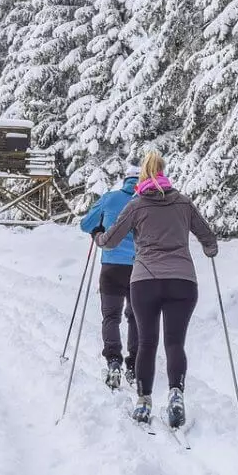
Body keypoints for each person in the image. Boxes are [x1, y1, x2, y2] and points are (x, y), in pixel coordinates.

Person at [95, 150, 217, 428]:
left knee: (148, 343)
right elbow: (207, 236)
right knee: (175, 343)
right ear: (164, 173)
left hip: (145, 281)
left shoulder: (137, 205)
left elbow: (112, 239)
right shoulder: (184, 203)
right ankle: (175, 393)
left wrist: (99, 238)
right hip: (183, 281)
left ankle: (144, 401)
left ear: (143, 177)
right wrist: (210, 249)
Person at [79, 165, 142, 389]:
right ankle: (134, 365)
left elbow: (85, 224)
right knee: (136, 317)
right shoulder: (147, 202)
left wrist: (97, 229)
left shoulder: (110, 198)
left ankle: (113, 361)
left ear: (124, 180)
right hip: (140, 268)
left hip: (112, 266)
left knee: (111, 317)